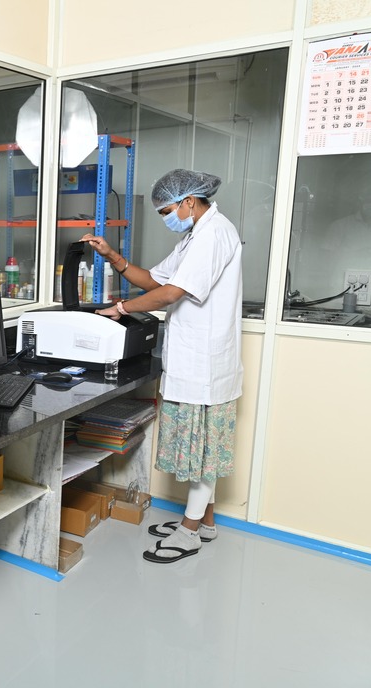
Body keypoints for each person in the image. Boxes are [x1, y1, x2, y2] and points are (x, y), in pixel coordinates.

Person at [81, 168, 243, 564]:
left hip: (206, 366)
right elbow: (154, 280)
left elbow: (169, 294)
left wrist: (120, 308)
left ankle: (189, 532)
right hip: (192, 361)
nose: (166, 219)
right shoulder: (194, 236)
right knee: (198, 447)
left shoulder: (214, 234)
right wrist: (113, 257)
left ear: (189, 201)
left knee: (202, 451)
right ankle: (204, 523)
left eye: (167, 211)